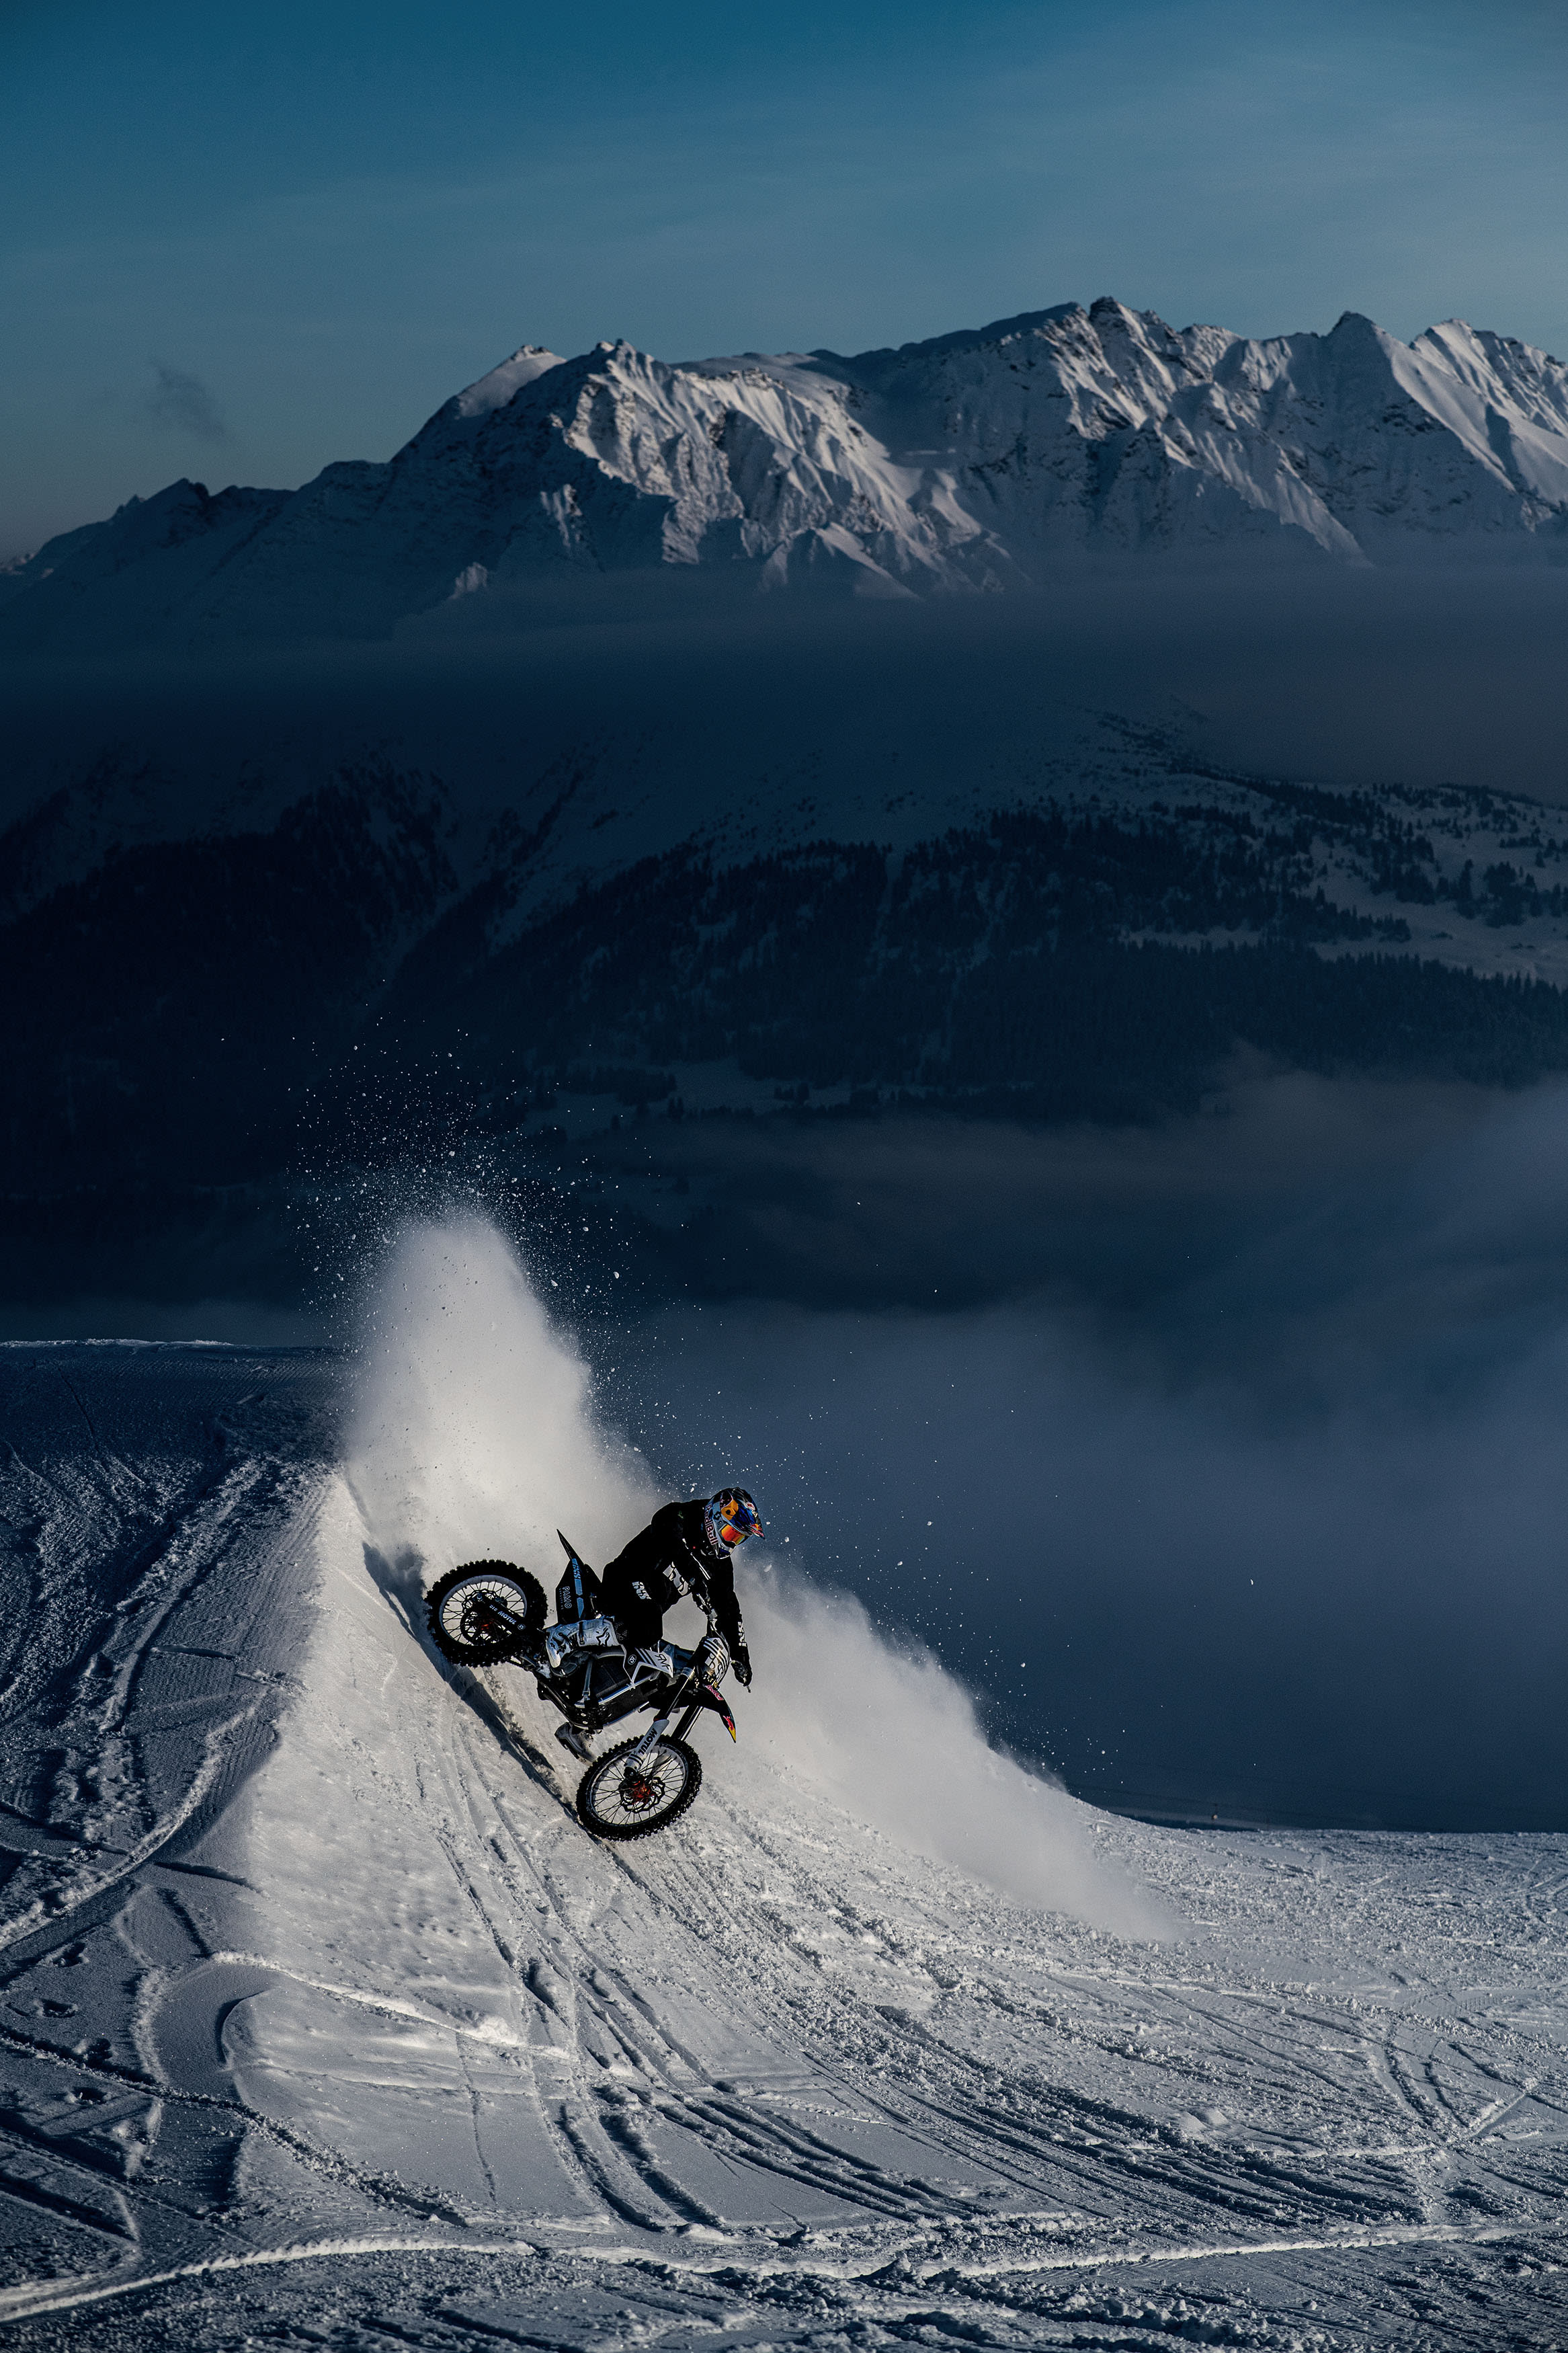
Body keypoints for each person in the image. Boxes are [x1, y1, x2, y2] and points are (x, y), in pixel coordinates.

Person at [597, 1488, 760, 1686]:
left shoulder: (721, 1565)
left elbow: (729, 1607)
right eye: (730, 1533)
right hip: (624, 1580)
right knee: (650, 1626)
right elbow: (666, 1531)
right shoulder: (684, 1514)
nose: (731, 1543)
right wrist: (695, 1576)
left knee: (675, 1664)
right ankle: (581, 1635)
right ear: (717, 1516)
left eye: (738, 1539)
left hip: (646, 1614)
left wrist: (740, 1655)